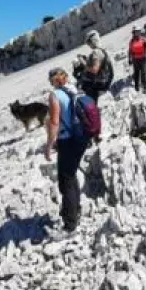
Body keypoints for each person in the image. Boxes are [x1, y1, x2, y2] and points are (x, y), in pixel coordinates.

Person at [44, 68, 90, 232]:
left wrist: (48, 146)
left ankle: (70, 224)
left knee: (66, 180)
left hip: (67, 140)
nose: (50, 83)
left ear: (55, 80)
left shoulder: (55, 95)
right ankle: (75, 210)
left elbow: (55, 122)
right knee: (71, 174)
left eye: (50, 80)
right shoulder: (75, 89)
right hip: (82, 138)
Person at [78, 30, 113, 103]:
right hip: (104, 82)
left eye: (88, 42)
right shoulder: (103, 50)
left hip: (98, 85)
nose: (88, 45)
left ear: (92, 41)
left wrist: (83, 62)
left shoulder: (96, 52)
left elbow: (94, 70)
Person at [128, 27, 146, 93]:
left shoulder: (143, 39)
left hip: (143, 58)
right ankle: (136, 87)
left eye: (138, 31)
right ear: (133, 33)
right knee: (136, 73)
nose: (137, 33)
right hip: (135, 59)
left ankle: (145, 87)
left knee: (143, 72)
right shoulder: (131, 41)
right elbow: (130, 51)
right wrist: (129, 59)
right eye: (136, 31)